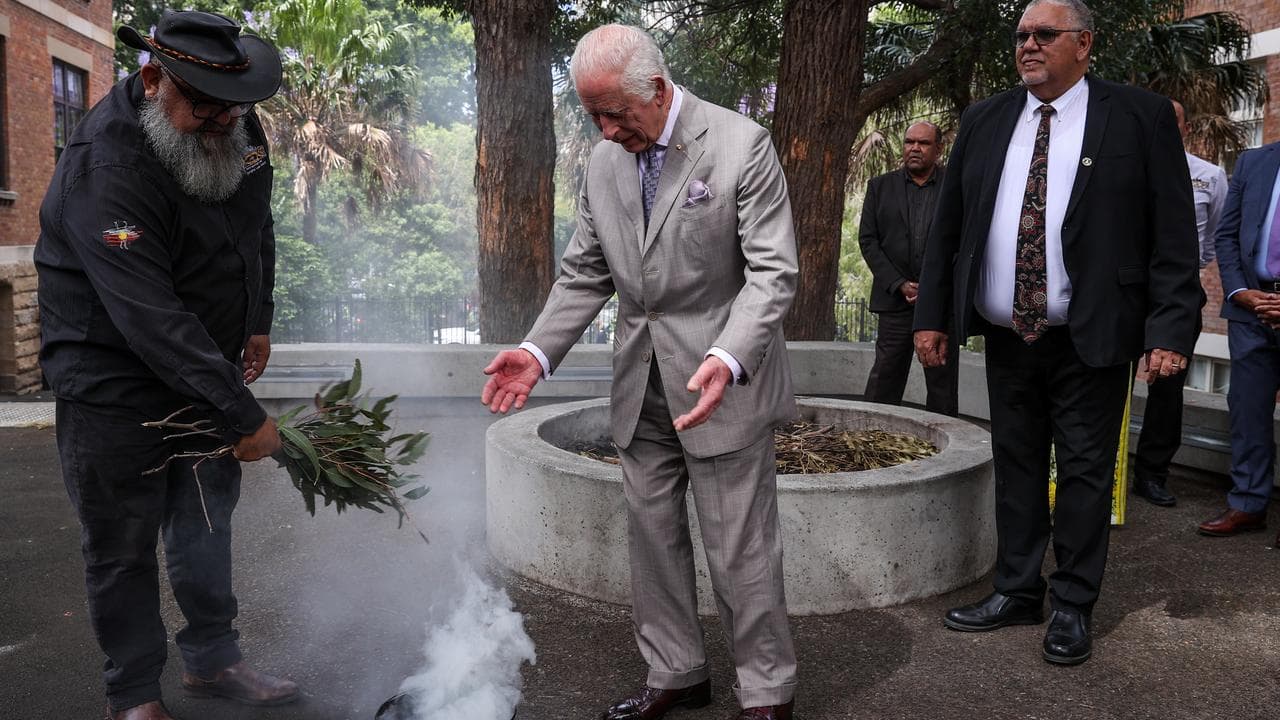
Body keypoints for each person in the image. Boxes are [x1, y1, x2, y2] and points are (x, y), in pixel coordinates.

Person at [480, 24, 798, 720]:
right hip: (639, 384)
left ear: (656, 90)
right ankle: (676, 672)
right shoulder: (602, 162)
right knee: (652, 543)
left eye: (614, 113)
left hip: (722, 385)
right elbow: (585, 274)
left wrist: (727, 354)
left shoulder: (742, 145)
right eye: (592, 114)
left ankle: (767, 692)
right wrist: (536, 354)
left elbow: (774, 274)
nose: (603, 129)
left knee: (739, 551)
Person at [912, 0, 1201, 667]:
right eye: (1021, 35)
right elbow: (949, 230)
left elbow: (1173, 237)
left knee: (1083, 473)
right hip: (1009, 334)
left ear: (1084, 43)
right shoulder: (985, 120)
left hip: (1092, 333)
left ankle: (1072, 602)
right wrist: (932, 316)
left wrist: (1171, 328)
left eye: (1045, 34)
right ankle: (1016, 588)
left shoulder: (1139, 117)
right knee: (1014, 467)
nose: (1029, 45)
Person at [36, 11, 297, 720]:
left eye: (233, 107)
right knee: (121, 544)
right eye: (204, 106)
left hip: (203, 365)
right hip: (112, 379)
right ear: (154, 79)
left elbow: (255, 225)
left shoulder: (236, 126)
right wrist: (242, 415)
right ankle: (135, 697)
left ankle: (214, 660)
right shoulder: (107, 165)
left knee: (206, 522)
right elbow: (147, 313)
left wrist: (257, 319)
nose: (221, 122)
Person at [1130, 99, 1224, 507]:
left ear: (1183, 128)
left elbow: (1214, 240)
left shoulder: (1209, 175)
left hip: (1177, 291)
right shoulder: (1123, 169)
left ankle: (1151, 474)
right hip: (1124, 289)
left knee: (1167, 387)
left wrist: (1178, 270)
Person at [1197, 138, 1280, 540]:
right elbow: (1226, 236)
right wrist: (1237, 292)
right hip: (1251, 308)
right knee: (1247, 411)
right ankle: (1248, 503)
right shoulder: (1252, 163)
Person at [859, 121, 959, 416]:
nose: (914, 148)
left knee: (941, 382)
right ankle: (872, 438)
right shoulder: (880, 187)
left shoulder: (955, 186)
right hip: (895, 301)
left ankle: (944, 454)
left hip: (940, 303)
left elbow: (964, 241)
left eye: (924, 143)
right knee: (885, 377)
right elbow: (868, 240)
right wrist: (899, 283)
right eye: (909, 142)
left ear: (938, 149)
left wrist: (934, 286)